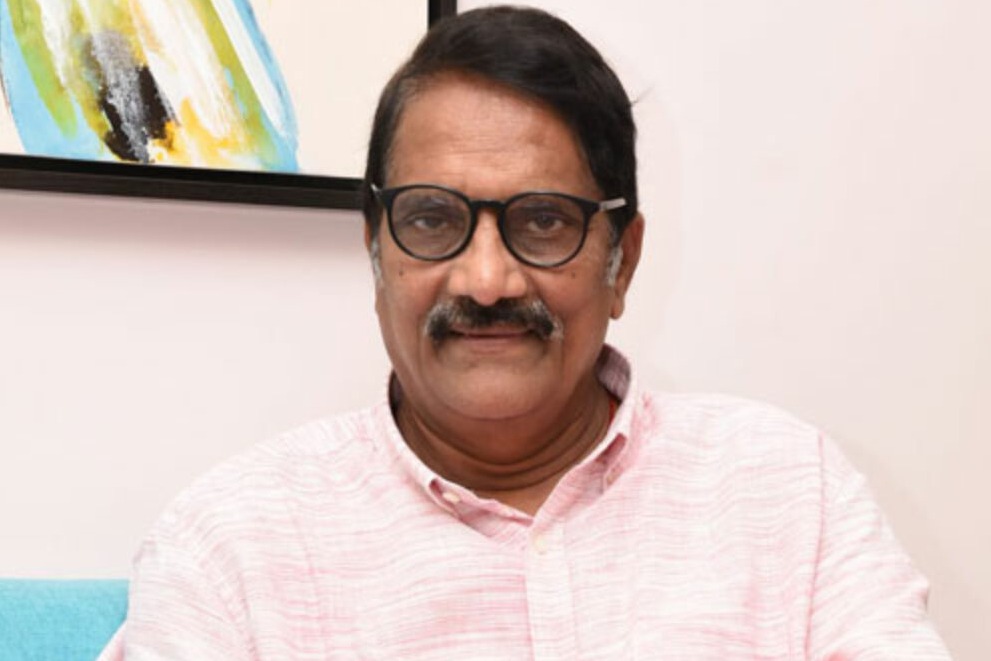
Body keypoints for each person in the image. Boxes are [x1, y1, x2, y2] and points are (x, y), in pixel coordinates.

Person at [100, 6, 950, 659]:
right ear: (375, 250)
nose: (486, 280)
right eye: (432, 219)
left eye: (543, 221)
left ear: (622, 260)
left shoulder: (789, 493)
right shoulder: (228, 549)